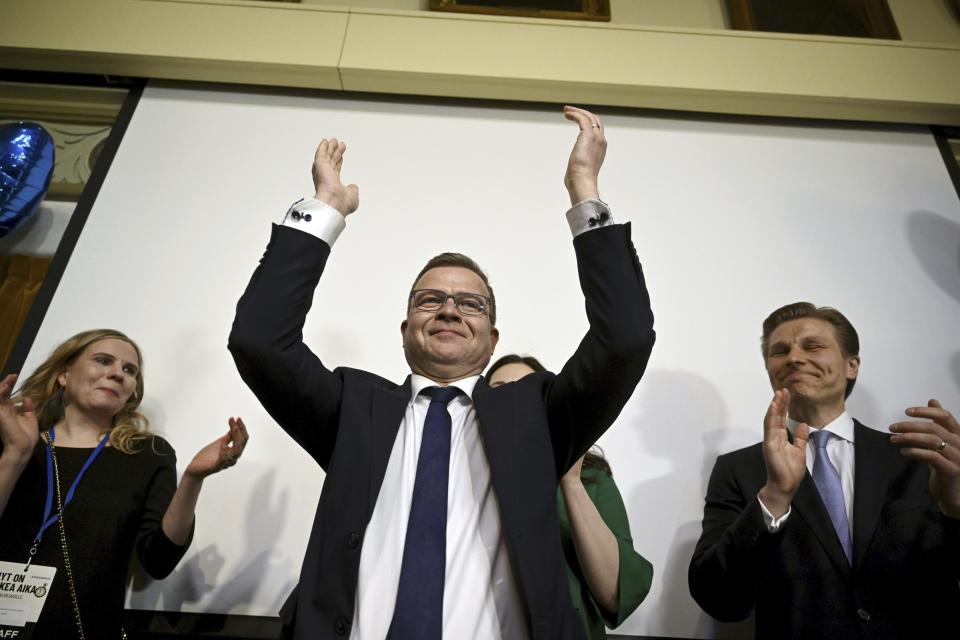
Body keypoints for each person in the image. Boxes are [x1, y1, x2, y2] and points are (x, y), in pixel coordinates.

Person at [228, 106, 655, 640]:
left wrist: (584, 190)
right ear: (406, 329)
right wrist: (324, 211)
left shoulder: (536, 418)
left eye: (471, 304)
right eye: (431, 300)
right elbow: (258, 339)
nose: (450, 309)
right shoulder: (353, 409)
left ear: (493, 338)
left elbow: (626, 337)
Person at [688, 302, 960, 639]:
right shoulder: (738, 469)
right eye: (780, 351)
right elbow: (720, 599)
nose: (794, 358)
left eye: (813, 345)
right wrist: (774, 499)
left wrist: (956, 507)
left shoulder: (918, 457)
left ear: (852, 365)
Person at [0, 328, 248, 639]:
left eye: (129, 370)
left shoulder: (147, 454)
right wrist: (14, 455)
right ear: (64, 374)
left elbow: (158, 561)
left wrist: (192, 478)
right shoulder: (15, 440)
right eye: (104, 361)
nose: (118, 373)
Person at [486, 354, 652, 640]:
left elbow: (615, 593)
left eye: (525, 391)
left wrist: (570, 479)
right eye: (499, 390)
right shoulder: (464, 465)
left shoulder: (591, 478)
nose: (512, 401)